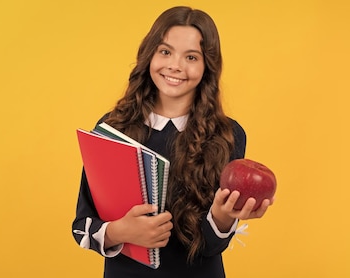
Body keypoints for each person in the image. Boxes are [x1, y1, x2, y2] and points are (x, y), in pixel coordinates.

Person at [71, 6, 272, 278]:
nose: (175, 65)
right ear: (149, 55)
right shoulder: (112, 128)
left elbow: (210, 247)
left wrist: (224, 218)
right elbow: (82, 226)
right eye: (165, 51)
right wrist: (121, 231)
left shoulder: (228, 135)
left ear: (207, 67)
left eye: (191, 57)